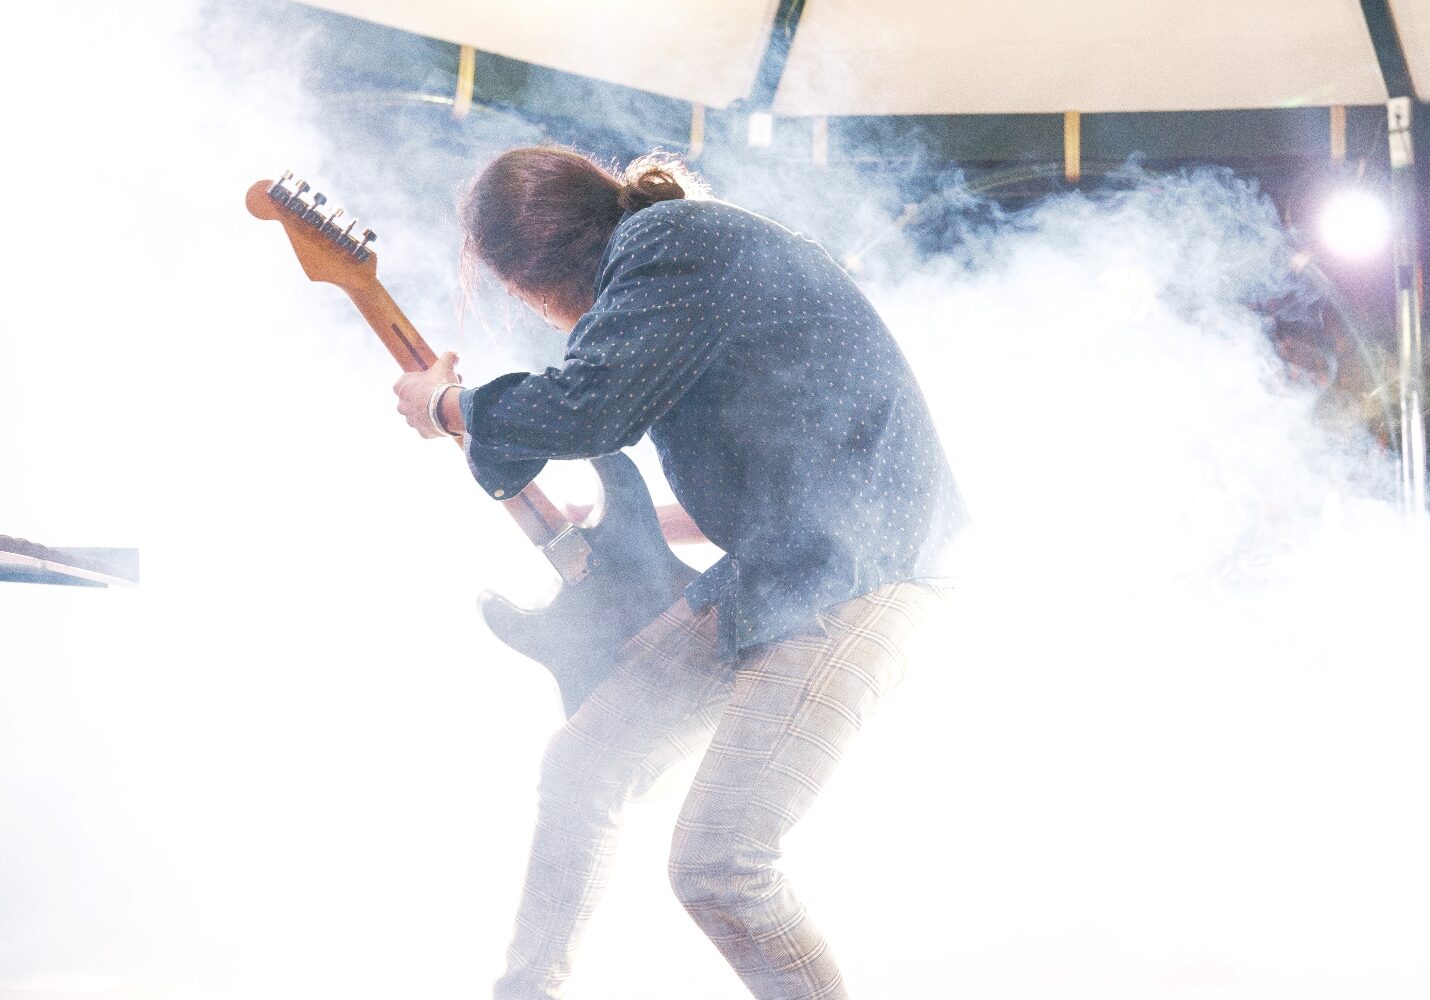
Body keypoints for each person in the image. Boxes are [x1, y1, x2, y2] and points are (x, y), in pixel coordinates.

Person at [393, 146, 965, 1000]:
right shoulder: (683, 255)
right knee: (582, 768)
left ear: (531, 276)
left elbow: (589, 408)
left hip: (864, 570)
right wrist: (640, 524)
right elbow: (786, 452)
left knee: (722, 863)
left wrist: (449, 408)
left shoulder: (671, 244)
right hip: (786, 562)